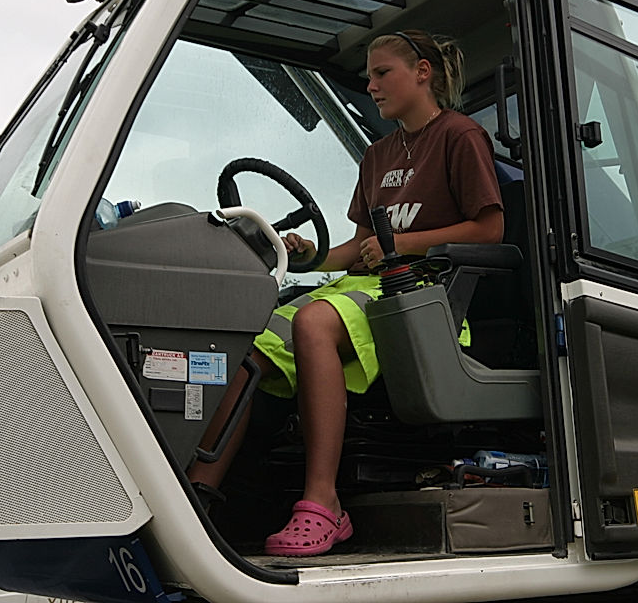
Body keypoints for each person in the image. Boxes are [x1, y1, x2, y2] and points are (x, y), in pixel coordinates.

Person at [188, 30, 504, 557]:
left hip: (424, 295)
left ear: (422, 72)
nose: (371, 84)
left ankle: (323, 505)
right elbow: (357, 248)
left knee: (314, 323)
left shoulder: (460, 135)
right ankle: (198, 496)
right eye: (369, 76)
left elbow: (489, 229)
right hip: (363, 286)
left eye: (382, 73)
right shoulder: (378, 154)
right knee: (248, 344)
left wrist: (401, 244)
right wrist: (309, 254)